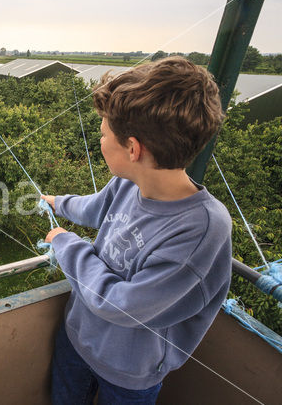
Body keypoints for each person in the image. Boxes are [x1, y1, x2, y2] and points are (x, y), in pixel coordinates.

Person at [41, 56, 232, 404]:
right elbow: (95, 208)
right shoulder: (129, 183)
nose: (100, 140)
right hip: (78, 335)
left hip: (130, 371)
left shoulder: (201, 230)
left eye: (103, 134)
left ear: (132, 148)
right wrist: (59, 202)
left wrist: (65, 243)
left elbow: (121, 305)